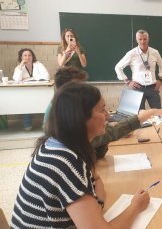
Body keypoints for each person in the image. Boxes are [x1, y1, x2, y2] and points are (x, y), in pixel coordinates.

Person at [11, 82, 151, 228]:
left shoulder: (57, 144)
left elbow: (95, 180)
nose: (108, 116)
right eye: (102, 110)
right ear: (81, 118)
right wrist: (135, 206)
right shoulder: (67, 163)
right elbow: (96, 186)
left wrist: (97, 204)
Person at [43, 66, 162, 159]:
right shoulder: (64, 116)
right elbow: (103, 137)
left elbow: (98, 147)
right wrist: (145, 115)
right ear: (67, 90)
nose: (85, 90)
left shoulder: (63, 105)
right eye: (80, 86)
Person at [115, 29, 162, 109]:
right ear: (136, 40)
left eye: (145, 39)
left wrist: (160, 80)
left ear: (148, 39)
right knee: (140, 116)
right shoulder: (132, 53)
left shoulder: (155, 52)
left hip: (153, 88)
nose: (143, 42)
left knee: (158, 113)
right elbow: (118, 67)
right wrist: (127, 82)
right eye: (140, 39)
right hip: (138, 88)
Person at [13, 48, 50, 130]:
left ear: (33, 56)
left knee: (47, 103)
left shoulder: (38, 64)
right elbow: (16, 79)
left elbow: (47, 76)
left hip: (40, 91)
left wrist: (29, 78)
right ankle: (27, 123)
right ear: (21, 57)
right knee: (25, 102)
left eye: (30, 55)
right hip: (25, 92)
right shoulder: (19, 67)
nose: (27, 57)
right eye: (25, 55)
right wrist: (21, 65)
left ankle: (46, 124)